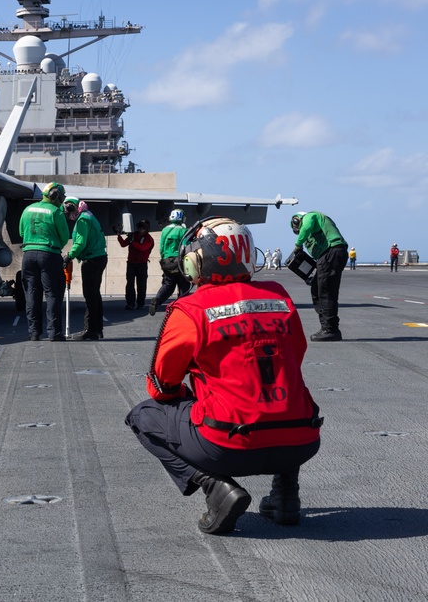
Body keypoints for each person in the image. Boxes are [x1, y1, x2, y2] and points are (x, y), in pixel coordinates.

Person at [125, 217, 322, 535]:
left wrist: (191, 393)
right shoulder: (279, 297)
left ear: (196, 260)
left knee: (143, 416)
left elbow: (161, 386)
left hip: (228, 446)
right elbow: (296, 356)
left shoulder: (190, 309)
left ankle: (217, 489)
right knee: (282, 398)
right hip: (302, 440)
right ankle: (286, 496)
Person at [19, 182, 70, 341]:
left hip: (28, 254)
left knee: (32, 293)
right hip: (49, 254)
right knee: (52, 293)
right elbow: (64, 236)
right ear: (57, 196)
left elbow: (21, 231)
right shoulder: (56, 212)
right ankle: (54, 333)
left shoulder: (27, 209)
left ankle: (34, 332)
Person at [291, 211, 348, 341]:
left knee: (326, 292)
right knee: (317, 288)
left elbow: (306, 227)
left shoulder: (310, 216)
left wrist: (298, 245)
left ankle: (330, 330)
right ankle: (327, 327)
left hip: (331, 253)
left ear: (296, 220)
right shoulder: (319, 224)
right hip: (329, 255)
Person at [64, 197, 107, 340]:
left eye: (68, 210)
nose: (68, 215)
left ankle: (90, 330)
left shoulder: (83, 219)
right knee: (95, 295)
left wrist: (69, 256)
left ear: (73, 207)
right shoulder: (89, 215)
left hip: (92, 259)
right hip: (99, 257)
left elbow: (80, 242)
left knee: (90, 296)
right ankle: (98, 329)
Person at [150, 209, 190, 316]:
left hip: (166, 262)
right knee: (184, 285)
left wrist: (164, 258)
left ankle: (157, 300)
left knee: (168, 284)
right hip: (179, 261)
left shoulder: (164, 230)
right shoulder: (183, 230)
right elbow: (186, 246)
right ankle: (182, 308)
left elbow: (161, 248)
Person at [117, 219, 154, 311]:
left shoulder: (149, 238)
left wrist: (132, 241)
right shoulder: (133, 235)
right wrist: (119, 236)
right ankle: (130, 303)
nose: (141, 229)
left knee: (141, 285)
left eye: (143, 227)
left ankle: (140, 303)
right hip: (131, 264)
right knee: (130, 284)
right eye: (140, 226)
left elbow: (142, 248)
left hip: (142, 264)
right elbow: (123, 244)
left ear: (146, 229)